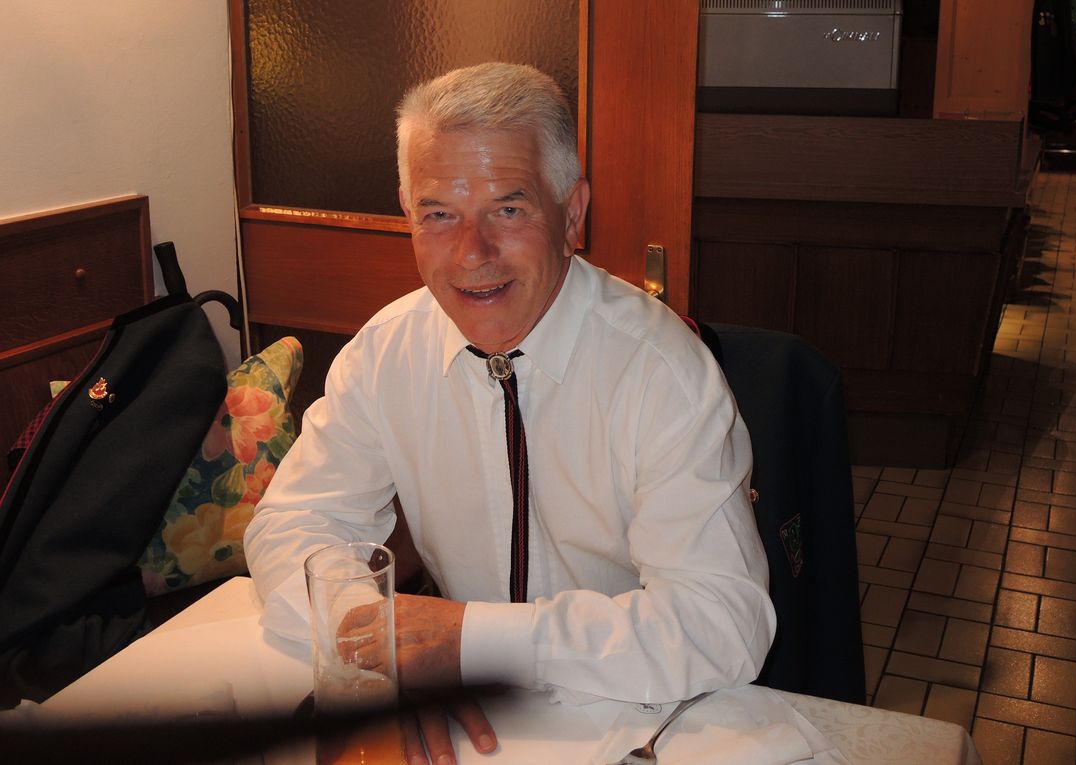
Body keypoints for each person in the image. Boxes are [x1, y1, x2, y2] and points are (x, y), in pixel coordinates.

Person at [244, 62, 774, 764]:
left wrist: (474, 644)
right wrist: (384, 647)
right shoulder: (384, 352)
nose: (472, 253)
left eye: (508, 209)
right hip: (470, 727)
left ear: (572, 215)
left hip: (636, 715)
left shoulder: (661, 371)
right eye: (439, 214)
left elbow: (723, 622)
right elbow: (291, 524)